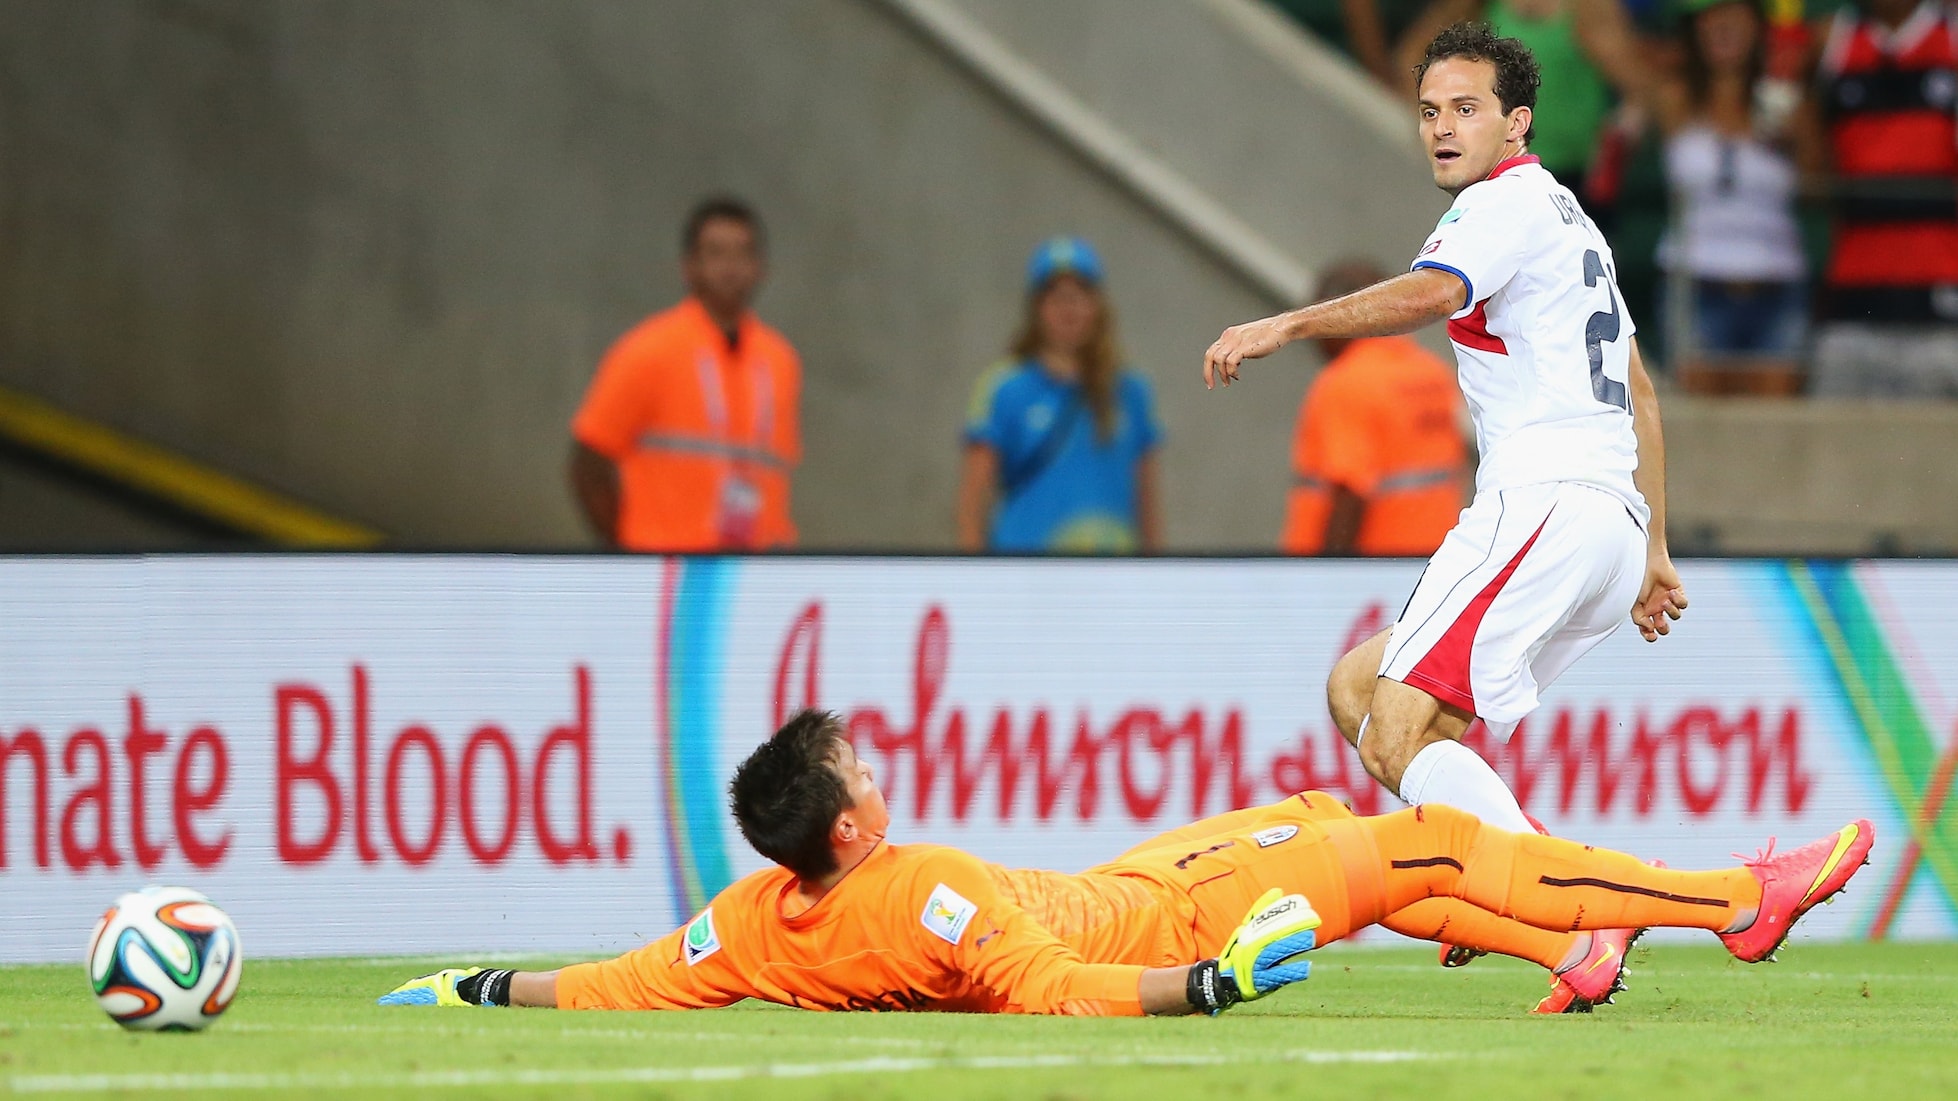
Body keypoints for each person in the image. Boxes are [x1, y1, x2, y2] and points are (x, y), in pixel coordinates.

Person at [1203, 24, 1690, 1012]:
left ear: (1516, 123)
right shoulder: (1571, 222)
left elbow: (1431, 292)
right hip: (1594, 521)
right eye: (1428, 110)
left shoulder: (1503, 204)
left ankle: (1566, 911)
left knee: (1390, 736)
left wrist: (1285, 322)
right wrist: (1652, 548)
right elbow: (1638, 388)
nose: (1440, 128)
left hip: (1541, 504)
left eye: (1464, 108)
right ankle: (1524, 886)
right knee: (1357, 693)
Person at [378, 710, 1871, 1016]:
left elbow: (618, 984)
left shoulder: (758, 921)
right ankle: (1738, 901)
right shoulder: (927, 885)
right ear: (849, 826)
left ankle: (1570, 948)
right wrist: (1202, 989)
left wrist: (476, 988)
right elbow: (1052, 991)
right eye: (862, 776)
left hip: (1132, 871)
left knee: (1317, 806)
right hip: (1174, 911)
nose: (881, 777)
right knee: (1425, 838)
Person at [569, 197, 802, 551]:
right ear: (689, 267)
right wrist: (626, 552)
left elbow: (774, 470)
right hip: (667, 566)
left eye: (743, 254)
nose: (731, 268)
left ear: (761, 268)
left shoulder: (779, 359)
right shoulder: (648, 350)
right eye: (716, 254)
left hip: (752, 572)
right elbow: (588, 465)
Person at [1654, 0, 1823, 396]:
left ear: (1758, 25)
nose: (1723, 24)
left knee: (1778, 434)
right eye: (1712, 14)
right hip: (1693, 284)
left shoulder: (1792, 104)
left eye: (1735, 13)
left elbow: (1821, 188)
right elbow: (1610, 44)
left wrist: (1793, 137)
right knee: (1700, 431)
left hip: (1776, 286)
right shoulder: (1673, 98)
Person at [955, 237, 1163, 554]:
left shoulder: (1130, 391)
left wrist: (1155, 574)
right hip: (1026, 573)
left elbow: (1147, 497)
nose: (1069, 308)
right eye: (1056, 296)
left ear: (1097, 306)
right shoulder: (1004, 389)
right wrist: (975, 579)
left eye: (1080, 295)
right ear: (1037, 308)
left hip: (1114, 576)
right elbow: (973, 502)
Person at [1808, 0, 1958, 398]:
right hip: (1851, 304)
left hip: (1941, 308)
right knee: (1831, 452)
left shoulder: (1952, 38)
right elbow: (1811, 172)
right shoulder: (1832, 40)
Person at [1394, 0, 1645, 223]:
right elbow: (1411, 57)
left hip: (1572, 179)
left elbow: (1637, 89)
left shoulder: (1588, 8)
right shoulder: (1475, 4)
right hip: (1492, 173)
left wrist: (1620, 135)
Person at [1282, 259, 1468, 556]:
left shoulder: (1346, 382)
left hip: (1371, 574)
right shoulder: (1432, 372)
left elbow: (1350, 493)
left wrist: (1326, 579)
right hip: (1436, 562)